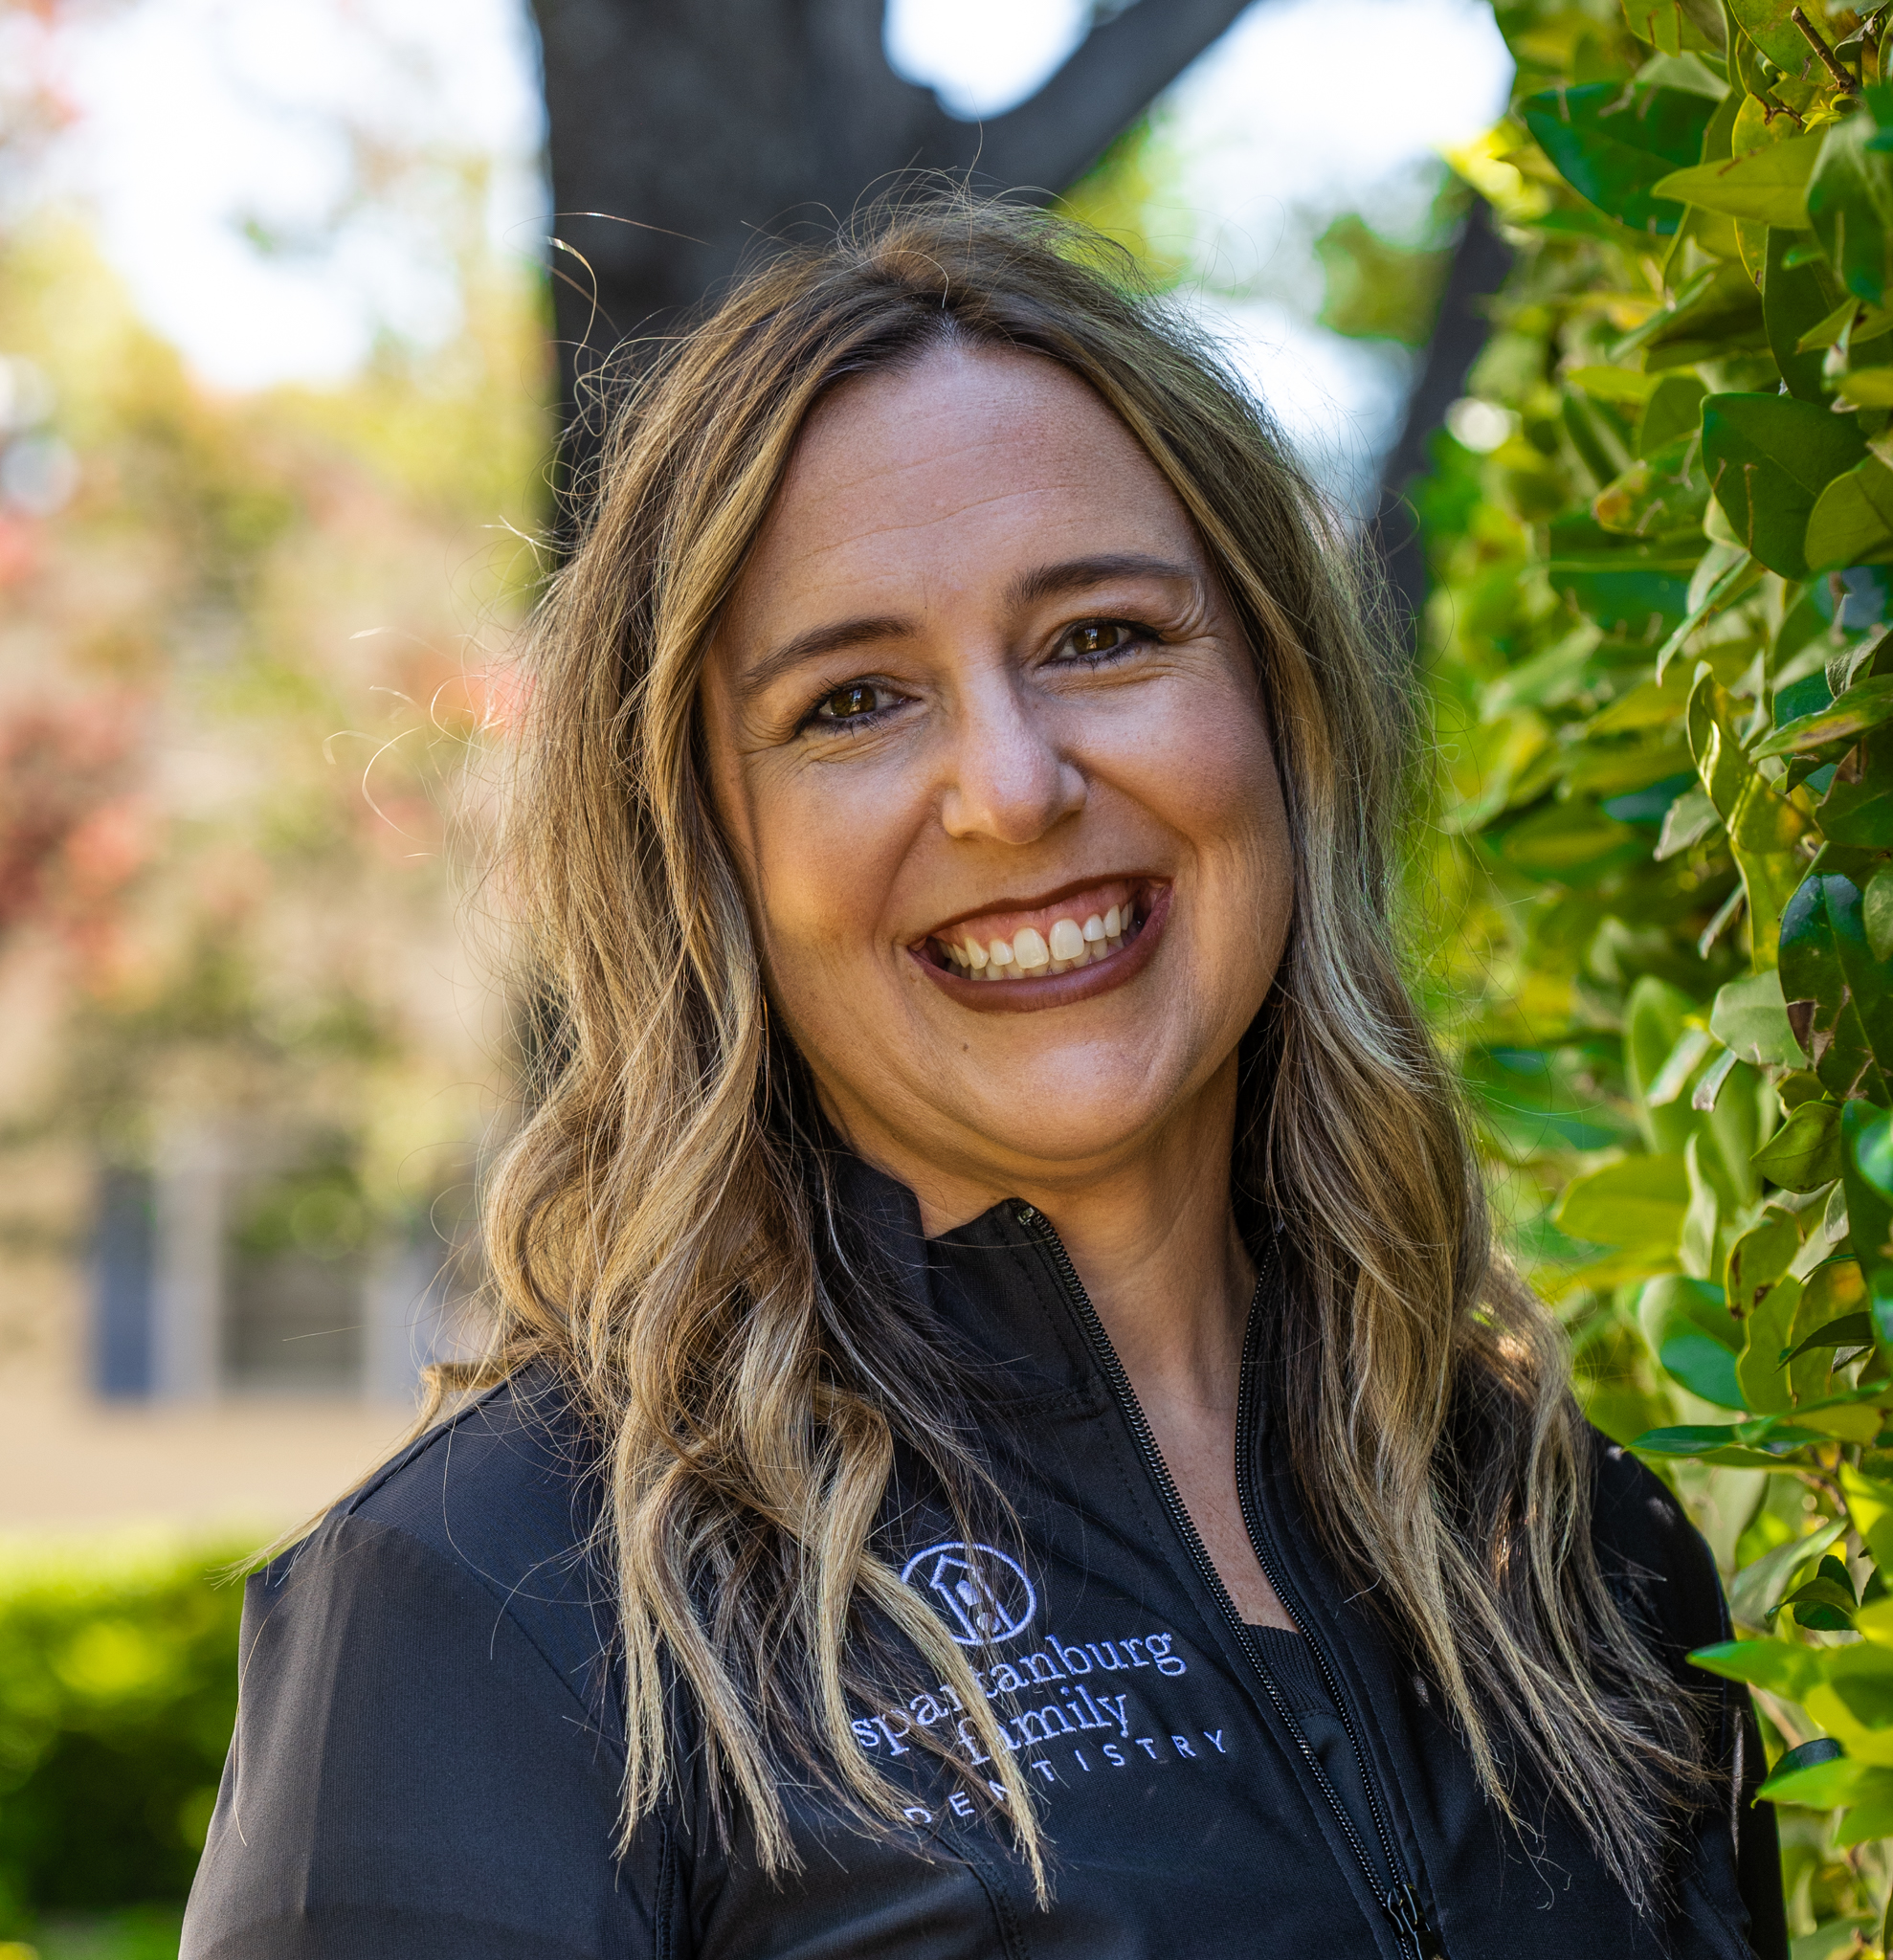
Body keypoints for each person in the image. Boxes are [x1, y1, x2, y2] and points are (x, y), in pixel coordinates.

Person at [181, 196, 1786, 1960]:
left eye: (1102, 636)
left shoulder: (1582, 1559)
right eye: (852, 703)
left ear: (1280, 710)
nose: (1011, 789)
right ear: (710, 850)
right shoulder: (504, 1605)